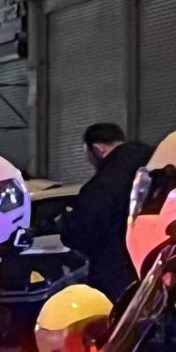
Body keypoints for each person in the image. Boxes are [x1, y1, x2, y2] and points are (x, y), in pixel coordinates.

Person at [64, 120, 154, 303]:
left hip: (117, 273)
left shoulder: (108, 180)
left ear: (98, 149)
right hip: (154, 267)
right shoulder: (154, 162)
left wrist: (65, 223)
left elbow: (84, 225)